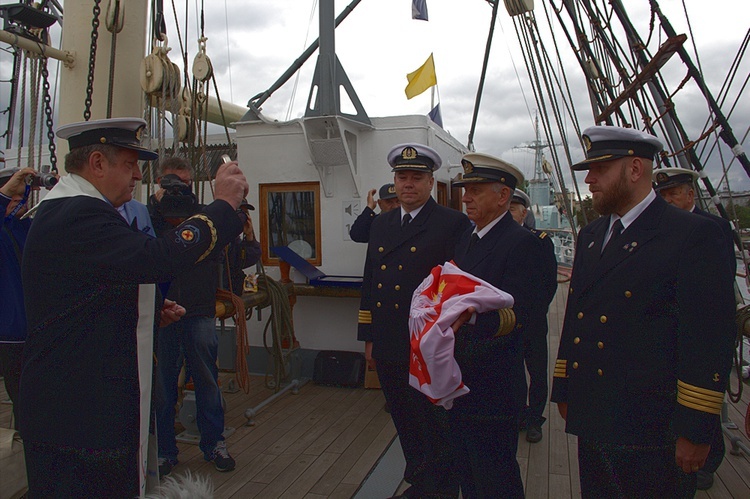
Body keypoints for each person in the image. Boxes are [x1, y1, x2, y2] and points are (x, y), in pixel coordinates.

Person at [19, 117, 248, 498]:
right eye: (129, 165)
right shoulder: (77, 214)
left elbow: (90, 290)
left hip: (75, 411)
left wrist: (148, 310)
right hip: (77, 421)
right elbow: (154, 258)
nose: (138, 177)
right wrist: (222, 206)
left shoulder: (73, 212)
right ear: (96, 163)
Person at [550, 125, 736, 497]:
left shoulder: (692, 235)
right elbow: (577, 316)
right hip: (594, 417)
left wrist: (697, 427)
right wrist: (565, 388)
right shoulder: (592, 234)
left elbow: (707, 337)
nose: (589, 180)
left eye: (599, 169)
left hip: (652, 430)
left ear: (635, 169)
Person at [358, 143, 470, 497]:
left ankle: (442, 487)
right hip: (390, 340)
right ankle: (420, 479)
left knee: (434, 420)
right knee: (404, 417)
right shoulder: (382, 224)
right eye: (402, 176)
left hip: (427, 344)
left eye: (416, 177)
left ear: (431, 182)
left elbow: (459, 289)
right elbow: (370, 282)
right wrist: (368, 336)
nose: (408, 183)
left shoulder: (452, 224)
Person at [149, 156, 259, 477]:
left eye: (184, 182)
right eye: (171, 182)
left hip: (198, 309)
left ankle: (214, 443)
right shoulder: (149, 214)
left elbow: (231, 242)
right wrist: (157, 208)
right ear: (158, 183)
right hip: (164, 312)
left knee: (208, 380)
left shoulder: (205, 215)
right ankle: (165, 451)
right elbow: (148, 249)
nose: (178, 189)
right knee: (164, 385)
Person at [448, 153, 546, 497]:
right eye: (465, 189)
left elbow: (525, 313)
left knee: (497, 477)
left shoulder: (523, 245)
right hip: (459, 378)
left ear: (503, 196)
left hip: (494, 384)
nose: (466, 197)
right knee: (469, 473)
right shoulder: (468, 239)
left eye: (475, 190)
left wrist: (470, 317)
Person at [653, 166, 737, 490]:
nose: (668, 200)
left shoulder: (712, 228)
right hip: (665, 330)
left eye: (673, 193)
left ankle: (709, 459)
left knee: (702, 397)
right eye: (663, 195)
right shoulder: (659, 229)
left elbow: (721, 281)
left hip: (699, 324)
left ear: (690, 195)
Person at [509, 188, 558, 443]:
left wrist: (537, 310)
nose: (509, 213)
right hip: (508, 321)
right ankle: (518, 414)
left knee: (537, 371)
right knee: (513, 371)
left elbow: (549, 281)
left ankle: (535, 419)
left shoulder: (539, 240)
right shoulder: (497, 240)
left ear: (524, 213)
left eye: (513, 209)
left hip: (533, 318)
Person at [0, 167, 40, 428]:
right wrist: (4, 194)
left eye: (21, 200)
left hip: (30, 329)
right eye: (12, 200)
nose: (19, 205)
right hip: (10, 332)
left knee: (33, 403)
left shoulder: (25, 226)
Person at [221, 199, 262, 296]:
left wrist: (249, 237)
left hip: (232, 292)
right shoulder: (217, 234)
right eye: (239, 212)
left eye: (244, 213)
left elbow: (248, 260)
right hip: (218, 292)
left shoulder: (235, 241)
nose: (242, 217)